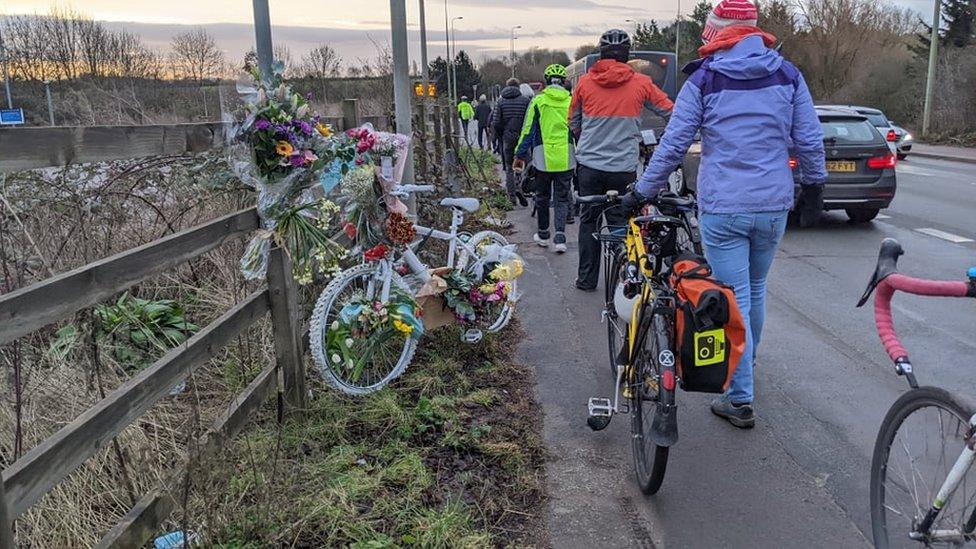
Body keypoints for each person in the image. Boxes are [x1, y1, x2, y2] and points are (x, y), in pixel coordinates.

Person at [623, 0, 827, 428]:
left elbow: (675, 143)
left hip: (724, 205)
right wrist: (815, 186)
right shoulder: (788, 74)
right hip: (773, 204)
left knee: (733, 295)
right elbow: (808, 137)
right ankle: (746, 368)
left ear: (716, 31)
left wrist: (643, 189)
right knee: (755, 289)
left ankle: (740, 396)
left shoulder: (707, 78)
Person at [570, 28, 674, 291]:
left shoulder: (584, 83)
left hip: (590, 167)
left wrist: (589, 140)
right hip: (623, 168)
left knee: (590, 221)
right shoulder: (641, 83)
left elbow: (573, 122)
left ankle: (586, 280)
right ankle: (621, 280)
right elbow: (672, 113)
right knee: (619, 221)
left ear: (600, 55)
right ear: (628, 55)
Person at [513, 64, 575, 253]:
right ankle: (560, 238)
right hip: (566, 157)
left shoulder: (538, 101)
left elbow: (528, 130)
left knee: (542, 197)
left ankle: (543, 234)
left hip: (543, 157)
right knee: (562, 199)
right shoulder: (571, 101)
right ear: (564, 82)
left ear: (546, 82)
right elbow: (577, 129)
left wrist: (520, 153)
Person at [491, 78, 532, 206]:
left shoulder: (501, 101)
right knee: (521, 163)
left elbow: (496, 122)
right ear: (518, 87)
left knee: (509, 167)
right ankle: (519, 184)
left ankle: (511, 196)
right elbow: (530, 119)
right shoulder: (525, 101)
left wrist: (501, 135)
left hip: (507, 137)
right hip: (522, 137)